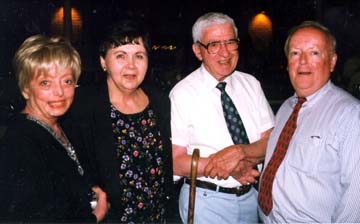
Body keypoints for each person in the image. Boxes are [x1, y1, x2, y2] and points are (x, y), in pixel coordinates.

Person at [64, 19, 175, 223]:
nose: (131, 65)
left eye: (139, 56)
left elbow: (166, 172)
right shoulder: (82, 105)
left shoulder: (159, 101)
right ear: (103, 62)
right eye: (120, 56)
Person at [170, 12, 274, 223]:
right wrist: (228, 167)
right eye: (214, 45)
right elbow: (175, 161)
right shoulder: (181, 94)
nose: (225, 52)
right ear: (198, 51)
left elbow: (271, 141)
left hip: (253, 197)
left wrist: (240, 153)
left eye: (230, 42)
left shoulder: (251, 85)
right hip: (207, 201)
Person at [258, 21, 360, 222]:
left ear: (332, 61)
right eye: (295, 53)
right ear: (287, 62)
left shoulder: (350, 114)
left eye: (314, 53)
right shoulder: (286, 108)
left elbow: (355, 200)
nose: (303, 61)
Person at [0, 35, 108, 222]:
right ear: (25, 88)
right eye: (45, 83)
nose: (59, 92)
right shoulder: (20, 142)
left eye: (66, 81)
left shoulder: (64, 126)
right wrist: (94, 217)